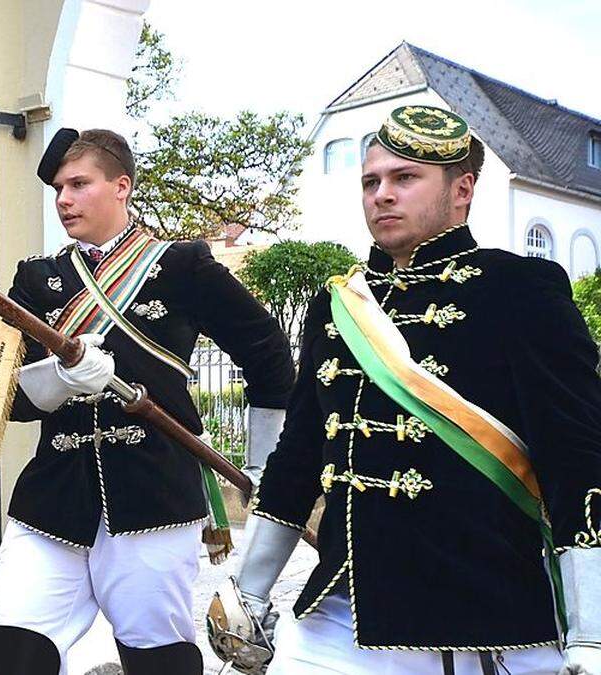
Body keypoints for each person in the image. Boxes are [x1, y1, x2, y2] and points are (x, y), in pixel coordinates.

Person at [209, 105, 601, 675]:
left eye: (404, 178)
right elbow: (297, 458)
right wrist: (251, 590)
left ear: (462, 189)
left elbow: (578, 458)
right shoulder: (337, 305)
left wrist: (590, 631)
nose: (381, 195)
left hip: (477, 618)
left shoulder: (520, 290)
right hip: (339, 609)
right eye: (371, 181)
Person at [0, 128, 295, 674]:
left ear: (121, 186)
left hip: (154, 496)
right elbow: (6, 395)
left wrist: (262, 462)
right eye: (58, 188)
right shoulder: (38, 279)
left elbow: (269, 357)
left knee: (157, 657)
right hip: (52, 498)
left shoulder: (181, 267)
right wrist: (61, 378)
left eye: (79, 184)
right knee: (12, 651)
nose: (64, 199)